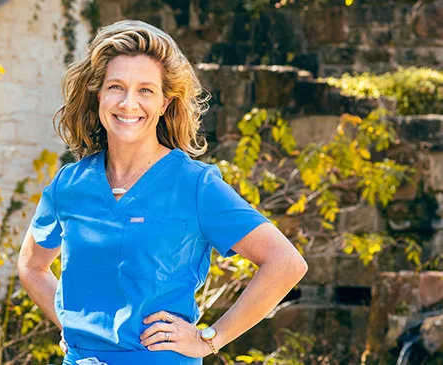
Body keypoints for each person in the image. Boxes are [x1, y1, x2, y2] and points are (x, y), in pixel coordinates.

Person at [17, 19, 308, 365]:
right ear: (98, 94)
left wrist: (208, 339)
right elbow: (32, 266)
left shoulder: (195, 185)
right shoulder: (69, 184)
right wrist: (70, 322)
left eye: (145, 90)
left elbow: (285, 263)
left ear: (165, 103)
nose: (128, 103)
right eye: (115, 87)